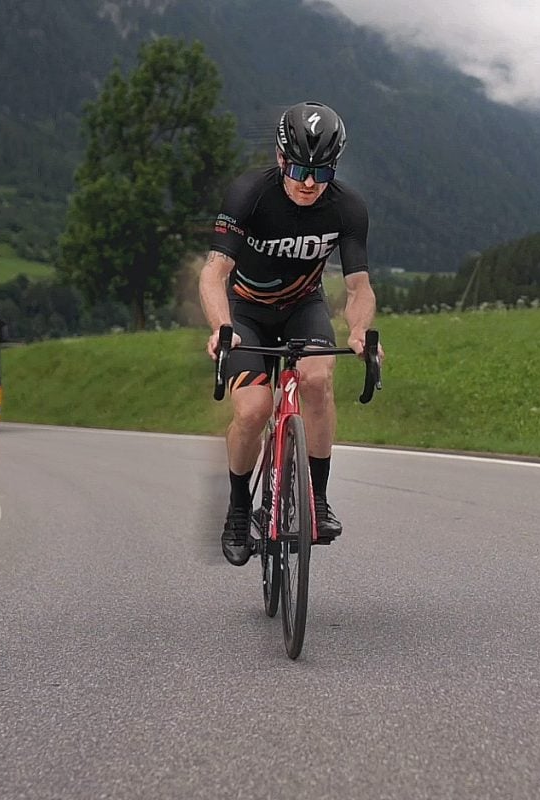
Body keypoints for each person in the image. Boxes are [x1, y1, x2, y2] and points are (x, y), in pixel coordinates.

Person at [200, 100, 384, 567]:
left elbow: (359, 286)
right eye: (300, 168)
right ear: (282, 158)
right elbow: (214, 272)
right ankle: (240, 507)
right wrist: (222, 326)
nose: (308, 182)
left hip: (303, 307)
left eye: (321, 173)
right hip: (246, 312)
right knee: (255, 409)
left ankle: (317, 500)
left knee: (318, 382)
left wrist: (360, 331)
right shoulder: (249, 194)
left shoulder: (347, 208)